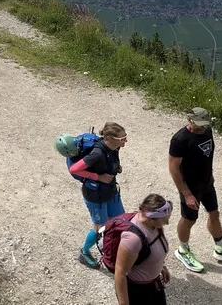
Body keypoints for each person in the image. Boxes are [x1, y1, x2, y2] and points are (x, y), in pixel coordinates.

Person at [167, 107, 222, 272]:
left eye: (205, 124)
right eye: (199, 124)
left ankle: (220, 248)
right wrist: (187, 194)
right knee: (189, 219)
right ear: (189, 119)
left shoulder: (207, 131)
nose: (202, 127)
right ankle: (183, 250)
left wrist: (209, 177)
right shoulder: (180, 140)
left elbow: (207, 155)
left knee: (214, 213)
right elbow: (173, 168)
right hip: (190, 188)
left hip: (206, 184)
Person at [70, 121, 128, 268]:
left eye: (125, 137)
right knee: (100, 226)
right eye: (122, 139)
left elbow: (110, 162)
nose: (125, 141)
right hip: (96, 195)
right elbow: (74, 169)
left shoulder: (114, 148)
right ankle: (84, 251)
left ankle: (116, 249)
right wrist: (98, 177)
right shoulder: (97, 153)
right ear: (109, 138)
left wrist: (116, 167)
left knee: (120, 220)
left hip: (110, 191)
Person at [112, 194, 173, 305]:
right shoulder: (132, 239)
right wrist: (124, 303)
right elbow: (120, 273)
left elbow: (155, 247)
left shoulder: (153, 225)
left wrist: (162, 266)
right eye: (164, 220)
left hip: (154, 284)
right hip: (138, 291)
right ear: (152, 219)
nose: (167, 223)